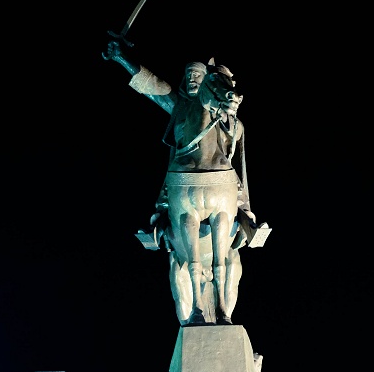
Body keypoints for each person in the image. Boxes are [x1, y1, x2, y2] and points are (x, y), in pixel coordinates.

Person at [104, 36, 262, 325]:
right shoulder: (178, 106)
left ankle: (246, 216)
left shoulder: (215, 105)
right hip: (182, 180)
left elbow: (236, 131)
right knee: (166, 211)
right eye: (188, 74)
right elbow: (152, 86)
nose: (191, 78)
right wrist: (122, 59)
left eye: (197, 75)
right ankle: (160, 224)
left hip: (218, 178)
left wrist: (228, 115)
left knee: (233, 191)